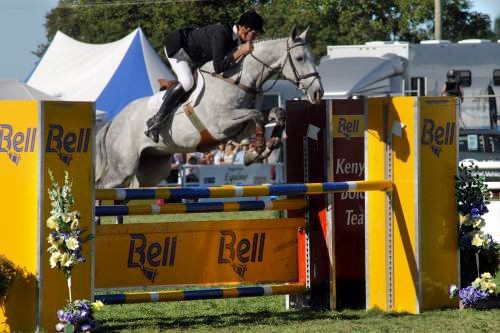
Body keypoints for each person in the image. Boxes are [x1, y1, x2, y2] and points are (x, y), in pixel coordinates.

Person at [144, 10, 265, 143]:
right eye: (255, 32)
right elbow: (219, 66)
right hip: (179, 47)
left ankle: (169, 90)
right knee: (187, 81)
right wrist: (241, 51)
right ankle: (156, 121)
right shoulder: (222, 33)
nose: (256, 36)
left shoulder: (237, 38)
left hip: (196, 55)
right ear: (244, 28)